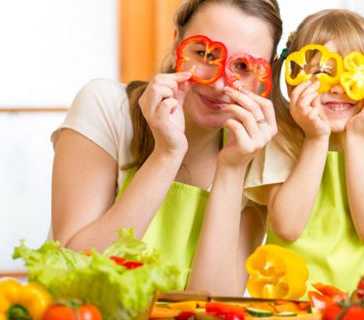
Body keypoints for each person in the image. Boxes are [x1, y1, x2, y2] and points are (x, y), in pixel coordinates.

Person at [50, 0, 282, 295]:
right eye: (205, 54)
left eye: (244, 66)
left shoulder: (255, 152)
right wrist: (166, 154)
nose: (220, 84)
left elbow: (213, 306)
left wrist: (232, 170)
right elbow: (72, 274)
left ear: (267, 75)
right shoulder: (106, 106)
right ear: (177, 44)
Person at [245, 9, 364, 292]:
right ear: (294, 76)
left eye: (352, 72)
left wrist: (357, 138)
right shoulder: (279, 135)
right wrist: (315, 138)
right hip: (293, 300)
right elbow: (286, 226)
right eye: (322, 72)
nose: (338, 87)